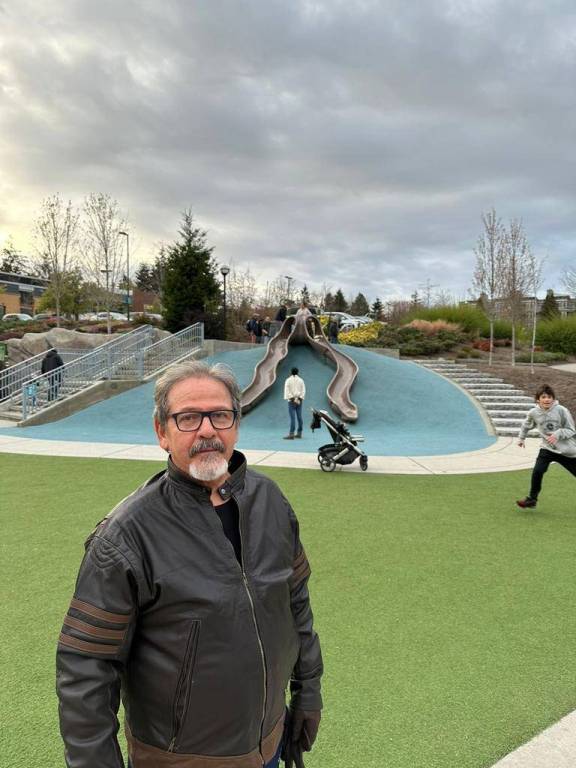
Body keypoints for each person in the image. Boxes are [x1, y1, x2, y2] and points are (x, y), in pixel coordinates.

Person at [56, 360, 323, 768]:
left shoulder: (271, 502)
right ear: (161, 432)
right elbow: (85, 669)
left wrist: (308, 691)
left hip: (270, 744)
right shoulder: (125, 537)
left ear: (236, 424)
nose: (207, 430)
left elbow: (297, 606)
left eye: (220, 415)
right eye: (188, 418)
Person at [516, 384, 576, 508]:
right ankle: (532, 500)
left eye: (549, 397)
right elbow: (526, 425)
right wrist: (521, 438)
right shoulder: (534, 412)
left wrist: (558, 434)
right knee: (537, 471)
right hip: (547, 449)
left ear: (553, 399)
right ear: (538, 400)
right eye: (543, 397)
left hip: (566, 451)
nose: (547, 399)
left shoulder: (561, 410)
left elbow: (571, 430)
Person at [284, 366, 306, 440]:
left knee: (292, 418)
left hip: (291, 401)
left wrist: (292, 399)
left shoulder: (288, 380)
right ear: (297, 372)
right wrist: (300, 398)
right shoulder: (301, 380)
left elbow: (287, 390)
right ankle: (299, 433)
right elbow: (303, 390)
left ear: (291, 372)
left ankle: (291, 434)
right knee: (299, 416)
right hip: (299, 400)